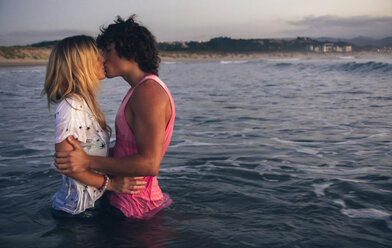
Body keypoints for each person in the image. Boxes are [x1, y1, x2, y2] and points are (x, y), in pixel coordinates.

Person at [55, 15, 175, 219]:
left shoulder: (148, 93)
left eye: (108, 51)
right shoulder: (140, 90)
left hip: (135, 209)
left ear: (129, 52)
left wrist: (87, 161)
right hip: (126, 203)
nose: (103, 58)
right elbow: (127, 149)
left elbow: (149, 164)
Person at [43, 35, 146, 218]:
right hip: (77, 214)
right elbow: (67, 165)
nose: (103, 60)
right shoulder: (71, 107)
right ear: (81, 66)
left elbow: (88, 151)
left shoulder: (84, 103)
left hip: (92, 207)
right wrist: (113, 185)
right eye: (97, 57)